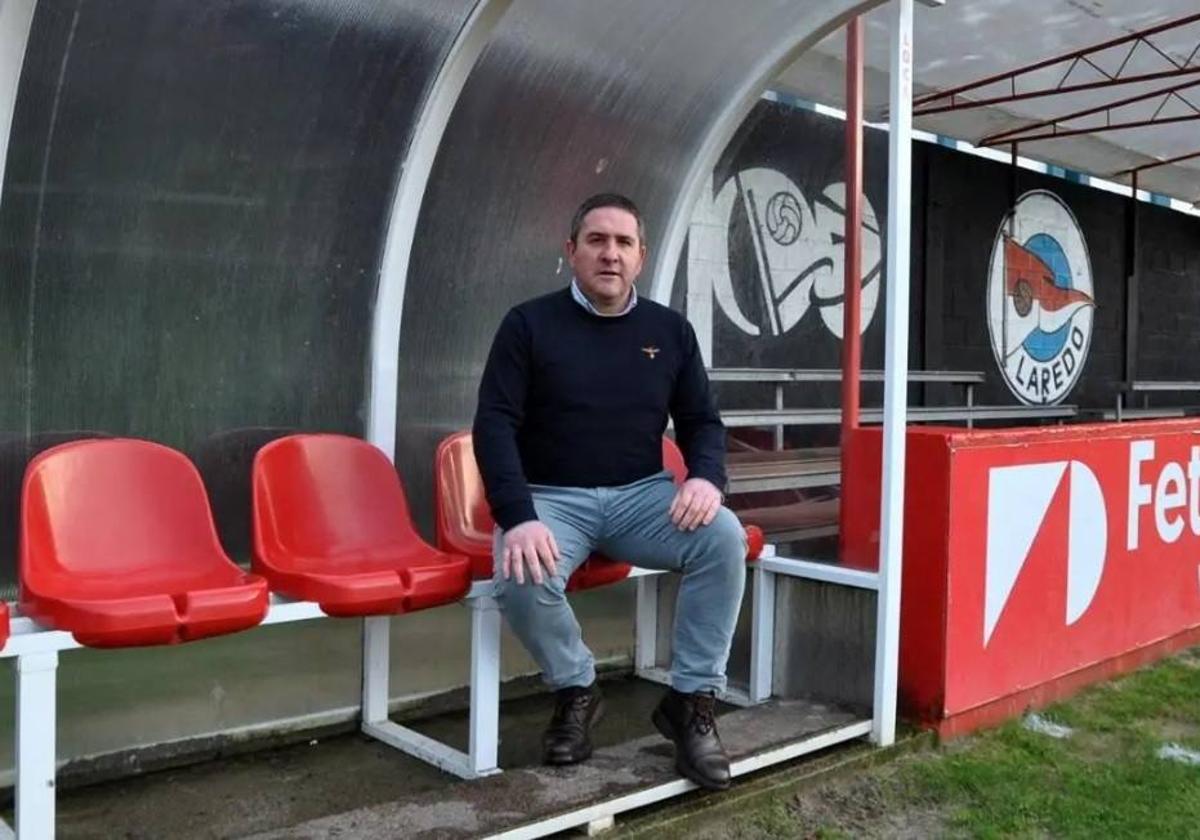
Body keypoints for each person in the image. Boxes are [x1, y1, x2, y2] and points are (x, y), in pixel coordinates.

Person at [472, 192, 747, 790]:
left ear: (641, 257)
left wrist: (705, 476)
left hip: (641, 497)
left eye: (623, 243)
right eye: (596, 240)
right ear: (571, 251)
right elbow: (493, 423)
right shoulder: (527, 324)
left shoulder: (669, 331)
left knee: (723, 538)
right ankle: (577, 687)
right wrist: (517, 515)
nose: (610, 254)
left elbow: (703, 421)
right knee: (520, 572)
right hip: (551, 498)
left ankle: (691, 703)